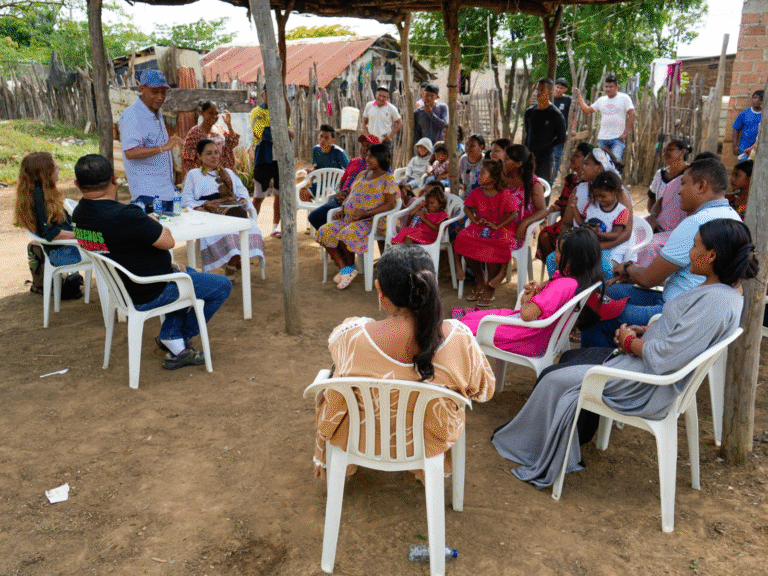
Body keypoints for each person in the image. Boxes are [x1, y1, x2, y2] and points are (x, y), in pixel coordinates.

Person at [491, 218, 757, 489]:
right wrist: (644, 332)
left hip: (645, 385)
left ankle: (531, 448)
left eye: (695, 246)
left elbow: (666, 358)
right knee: (568, 361)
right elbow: (682, 338)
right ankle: (555, 439)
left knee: (553, 379)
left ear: (711, 255)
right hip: (645, 369)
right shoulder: (725, 292)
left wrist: (631, 343)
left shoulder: (715, 302)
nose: (690, 253)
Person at [312, 244, 495, 480]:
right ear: (433, 285)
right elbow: (484, 391)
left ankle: (347, 464)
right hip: (428, 443)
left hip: (363, 440)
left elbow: (338, 359)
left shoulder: (351, 336)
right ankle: (423, 471)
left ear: (380, 290)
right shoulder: (459, 339)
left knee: (333, 380)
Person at [71, 154, 232, 370]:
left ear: (77, 184)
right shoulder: (125, 215)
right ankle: (179, 341)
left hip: (124, 287)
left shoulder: (79, 213)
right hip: (150, 290)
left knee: (189, 272)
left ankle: (171, 336)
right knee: (222, 286)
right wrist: (152, 219)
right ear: (115, 178)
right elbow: (168, 241)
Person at [581, 157, 741, 348]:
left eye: (683, 184)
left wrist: (627, 267)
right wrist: (630, 272)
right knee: (611, 291)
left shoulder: (696, 224)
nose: (679, 190)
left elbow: (649, 279)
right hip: (692, 306)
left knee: (593, 311)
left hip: (675, 311)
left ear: (701, 186)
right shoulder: (733, 218)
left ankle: (597, 369)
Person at [459, 227, 602, 356]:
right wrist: (537, 292)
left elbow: (527, 314)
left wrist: (529, 299)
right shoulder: (577, 280)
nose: (553, 253)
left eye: (557, 250)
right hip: (535, 335)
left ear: (570, 260)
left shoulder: (562, 286)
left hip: (525, 338)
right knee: (469, 318)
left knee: (459, 329)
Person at [316, 143, 398, 290]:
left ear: (381, 157)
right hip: (349, 217)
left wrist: (366, 213)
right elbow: (351, 195)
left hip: (371, 221)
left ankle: (347, 269)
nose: (367, 158)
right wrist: (342, 208)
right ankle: (346, 268)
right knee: (324, 231)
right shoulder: (362, 174)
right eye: (367, 155)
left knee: (345, 234)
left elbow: (390, 205)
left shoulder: (388, 179)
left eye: (371, 156)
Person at [181, 139, 265, 280]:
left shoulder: (227, 173)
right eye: (208, 154)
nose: (214, 156)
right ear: (199, 157)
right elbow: (186, 198)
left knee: (252, 230)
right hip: (210, 216)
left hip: (232, 213)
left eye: (216, 153)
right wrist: (197, 208)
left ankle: (232, 262)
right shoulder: (193, 175)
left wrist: (243, 199)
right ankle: (233, 264)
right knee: (229, 235)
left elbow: (241, 190)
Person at [454, 159, 519, 307]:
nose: (479, 174)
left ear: (493, 179)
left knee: (497, 243)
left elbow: (514, 215)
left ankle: (491, 286)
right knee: (463, 238)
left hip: (501, 229)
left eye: (482, 172)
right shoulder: (477, 192)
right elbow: (467, 208)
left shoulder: (504, 194)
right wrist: (474, 220)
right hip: (481, 228)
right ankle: (481, 281)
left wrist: (498, 225)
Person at [119, 69, 183, 211]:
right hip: (147, 196)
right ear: (142, 89)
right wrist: (163, 148)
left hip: (165, 192)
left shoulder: (156, 112)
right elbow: (130, 152)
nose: (160, 97)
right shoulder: (132, 115)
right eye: (155, 92)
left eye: (163, 92)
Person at [14, 152, 81, 267]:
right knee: (110, 248)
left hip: (65, 247)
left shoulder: (42, 193)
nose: (59, 168)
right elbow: (50, 233)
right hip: (61, 253)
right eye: (55, 167)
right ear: (45, 174)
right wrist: (82, 235)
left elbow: (66, 222)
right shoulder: (38, 196)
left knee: (108, 240)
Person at [308, 134, 380, 231]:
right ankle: (334, 241)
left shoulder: (378, 168)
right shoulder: (354, 161)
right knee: (314, 217)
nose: (364, 149)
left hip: (358, 205)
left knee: (321, 219)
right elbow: (341, 182)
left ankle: (336, 240)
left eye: (368, 146)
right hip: (341, 200)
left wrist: (350, 198)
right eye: (363, 145)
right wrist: (338, 193)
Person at [636, 140, 690, 267]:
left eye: (670, 150)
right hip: (659, 219)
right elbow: (653, 200)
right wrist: (654, 219)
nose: (665, 153)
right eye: (664, 150)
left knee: (650, 245)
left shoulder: (689, 174)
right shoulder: (660, 174)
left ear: (682, 152)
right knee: (636, 233)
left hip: (678, 225)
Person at [538, 142, 594, 259]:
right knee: (545, 235)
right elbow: (562, 201)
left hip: (579, 223)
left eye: (577, 156)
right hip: (565, 222)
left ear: (587, 160)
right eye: (572, 155)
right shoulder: (570, 179)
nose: (571, 158)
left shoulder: (590, 184)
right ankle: (555, 269)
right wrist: (552, 208)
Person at [251, 88, 292, 238]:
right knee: (258, 196)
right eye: (268, 93)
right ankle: (251, 228)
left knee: (279, 195)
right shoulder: (257, 112)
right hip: (263, 158)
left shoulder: (283, 112)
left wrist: (284, 132)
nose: (271, 96)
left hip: (280, 160)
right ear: (263, 95)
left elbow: (287, 132)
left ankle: (274, 228)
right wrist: (284, 133)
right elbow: (260, 132)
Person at [571, 170, 632, 270]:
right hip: (592, 248)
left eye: (603, 196)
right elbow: (582, 223)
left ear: (615, 191)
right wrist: (574, 208)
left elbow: (616, 234)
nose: (599, 199)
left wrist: (598, 233)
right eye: (596, 196)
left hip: (612, 250)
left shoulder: (621, 211)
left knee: (601, 268)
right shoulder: (592, 206)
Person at [574, 75, 636, 161]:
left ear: (617, 87)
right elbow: (587, 110)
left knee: (615, 163)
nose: (608, 89)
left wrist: (625, 133)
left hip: (617, 139)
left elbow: (632, 113)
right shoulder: (601, 100)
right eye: (606, 87)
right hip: (602, 139)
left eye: (611, 87)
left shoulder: (624, 98)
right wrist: (579, 96)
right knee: (602, 164)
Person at [503, 144, 548, 251]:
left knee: (490, 246)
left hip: (517, 232)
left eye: (506, 159)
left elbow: (543, 211)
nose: (503, 161)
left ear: (519, 163)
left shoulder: (533, 183)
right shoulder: (503, 178)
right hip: (499, 225)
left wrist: (524, 223)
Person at [524, 77, 566, 184]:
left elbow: (562, 138)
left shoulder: (556, 115)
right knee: (527, 188)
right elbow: (528, 133)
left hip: (545, 161)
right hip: (529, 159)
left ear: (550, 93)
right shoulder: (529, 112)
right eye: (537, 89)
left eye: (542, 89)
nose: (538, 92)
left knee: (543, 190)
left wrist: (546, 146)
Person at [181, 101, 240, 177]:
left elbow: (233, 142)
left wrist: (229, 125)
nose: (214, 116)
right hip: (204, 175)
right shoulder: (195, 132)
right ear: (202, 113)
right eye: (210, 113)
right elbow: (187, 156)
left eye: (216, 114)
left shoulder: (220, 129)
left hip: (223, 175)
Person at [299, 124, 350, 202]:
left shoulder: (340, 152)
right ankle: (314, 212)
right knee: (302, 193)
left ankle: (323, 212)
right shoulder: (316, 150)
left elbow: (349, 172)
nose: (322, 140)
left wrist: (329, 175)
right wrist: (308, 171)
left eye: (326, 137)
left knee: (327, 192)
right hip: (321, 184)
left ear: (333, 140)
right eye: (321, 136)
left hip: (335, 186)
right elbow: (316, 168)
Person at [732, 90, 763, 160]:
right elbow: (736, 129)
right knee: (744, 168)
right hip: (744, 148)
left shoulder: (765, 114)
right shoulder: (744, 113)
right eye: (755, 98)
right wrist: (735, 146)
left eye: (760, 99)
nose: (757, 100)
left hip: (759, 149)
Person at [552, 78, 572, 176]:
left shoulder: (568, 100)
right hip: (548, 132)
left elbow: (573, 115)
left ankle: (553, 178)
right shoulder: (549, 98)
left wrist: (572, 129)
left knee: (557, 156)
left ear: (565, 90)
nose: (559, 89)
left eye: (561, 88)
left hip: (561, 133)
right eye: (557, 87)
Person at [458, 134, 485, 198]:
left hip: (481, 197)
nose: (468, 148)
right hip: (466, 195)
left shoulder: (485, 162)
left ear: (481, 147)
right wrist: (461, 186)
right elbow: (459, 179)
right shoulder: (463, 159)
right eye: (467, 145)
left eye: (472, 146)